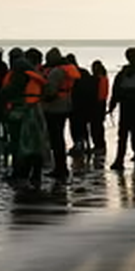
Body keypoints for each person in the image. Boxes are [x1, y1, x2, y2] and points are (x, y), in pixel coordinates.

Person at [0, 53, 48, 190]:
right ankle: (35, 175)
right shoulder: (36, 75)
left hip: (23, 113)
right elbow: (47, 91)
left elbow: (9, 92)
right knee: (36, 145)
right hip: (37, 111)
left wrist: (2, 98)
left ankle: (20, 174)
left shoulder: (19, 75)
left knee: (21, 145)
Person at [41, 48, 77, 180]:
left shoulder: (56, 72)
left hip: (54, 108)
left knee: (56, 140)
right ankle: (61, 167)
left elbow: (51, 91)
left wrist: (42, 97)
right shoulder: (66, 70)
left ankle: (60, 168)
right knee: (59, 138)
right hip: (66, 106)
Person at [68, 53, 94, 156]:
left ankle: (78, 145)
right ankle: (86, 144)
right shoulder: (84, 72)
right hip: (86, 103)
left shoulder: (70, 73)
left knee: (75, 125)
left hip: (74, 102)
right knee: (84, 126)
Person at [89, 60, 109, 155]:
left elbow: (93, 93)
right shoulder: (104, 78)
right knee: (99, 126)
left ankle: (99, 145)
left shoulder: (96, 79)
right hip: (102, 103)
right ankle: (100, 145)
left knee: (95, 127)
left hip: (96, 104)